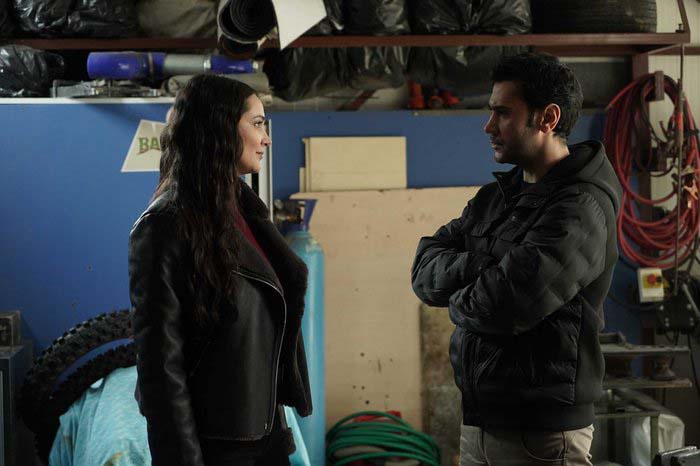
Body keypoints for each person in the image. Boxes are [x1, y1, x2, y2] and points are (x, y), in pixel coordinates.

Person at [411, 52, 622, 465]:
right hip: (478, 424)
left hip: (542, 435)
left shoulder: (581, 207)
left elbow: (505, 305)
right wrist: (482, 268)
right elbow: (423, 271)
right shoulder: (496, 198)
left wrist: (458, 297)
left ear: (547, 118)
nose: (488, 126)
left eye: (503, 113)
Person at [128, 74, 312, 466]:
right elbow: (160, 368)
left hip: (263, 434)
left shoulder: (242, 209)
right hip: (219, 446)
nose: (266, 138)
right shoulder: (164, 225)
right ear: (220, 127)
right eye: (257, 123)